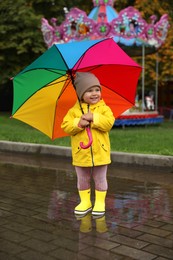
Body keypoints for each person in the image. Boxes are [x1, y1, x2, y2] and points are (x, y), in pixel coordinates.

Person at [61, 72, 115, 217]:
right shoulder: (73, 111)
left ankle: (99, 202)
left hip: (100, 151)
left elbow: (109, 123)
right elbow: (65, 126)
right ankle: (85, 201)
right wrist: (78, 123)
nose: (94, 93)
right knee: (82, 178)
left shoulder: (104, 109)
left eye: (97, 90)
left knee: (100, 178)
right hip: (81, 152)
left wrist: (94, 118)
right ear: (80, 94)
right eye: (89, 90)